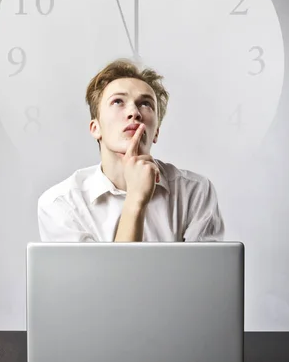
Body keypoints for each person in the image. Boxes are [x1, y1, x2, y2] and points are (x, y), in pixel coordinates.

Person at [37, 58, 225, 243]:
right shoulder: (61, 204)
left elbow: (205, 273)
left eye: (145, 104)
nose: (134, 112)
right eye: (118, 101)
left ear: (156, 132)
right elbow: (102, 276)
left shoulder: (195, 192)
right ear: (96, 128)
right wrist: (135, 199)